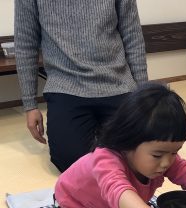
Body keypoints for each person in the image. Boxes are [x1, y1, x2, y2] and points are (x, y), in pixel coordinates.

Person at [20, 83, 186, 208]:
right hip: (80, 205)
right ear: (128, 141)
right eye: (157, 155)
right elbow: (118, 190)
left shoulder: (165, 158)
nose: (167, 162)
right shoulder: (106, 158)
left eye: (175, 152)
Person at [14, 0, 148, 172]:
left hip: (118, 83)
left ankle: (100, 136)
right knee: (70, 163)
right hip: (65, 86)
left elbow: (132, 36)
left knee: (140, 157)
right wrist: (30, 105)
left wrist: (144, 95)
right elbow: (25, 43)